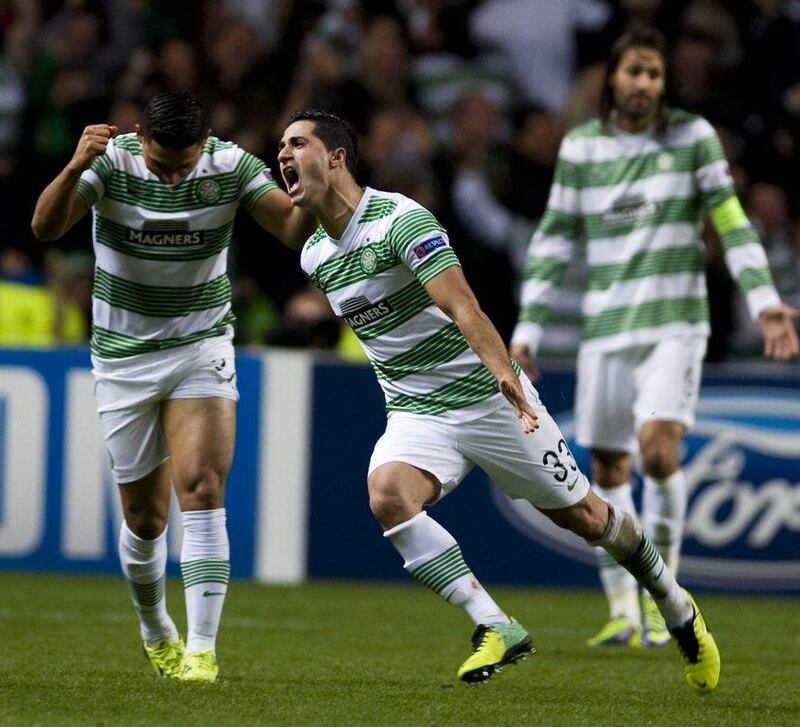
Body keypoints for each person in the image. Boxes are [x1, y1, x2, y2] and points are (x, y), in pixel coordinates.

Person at [277, 108, 720, 691]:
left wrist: (502, 371)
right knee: (388, 496)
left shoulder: (398, 221)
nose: (283, 154)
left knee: (588, 518)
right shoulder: (315, 256)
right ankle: (494, 622)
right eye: (279, 146)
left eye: (297, 143)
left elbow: (464, 306)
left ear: (335, 157)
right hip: (416, 411)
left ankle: (676, 605)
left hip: (490, 399)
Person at [509, 28, 799, 649]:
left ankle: (665, 596)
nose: (644, 84)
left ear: (663, 85)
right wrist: (527, 330)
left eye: (654, 75)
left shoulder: (691, 138)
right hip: (606, 329)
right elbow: (555, 239)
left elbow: (729, 217)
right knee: (609, 465)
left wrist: (766, 301)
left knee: (659, 452)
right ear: (613, 77)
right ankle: (622, 611)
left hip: (675, 324)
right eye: (635, 71)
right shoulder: (583, 148)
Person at [31, 91, 315, 683]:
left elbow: (292, 230)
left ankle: (202, 651)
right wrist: (75, 164)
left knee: (204, 488)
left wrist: (309, 185)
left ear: (203, 145)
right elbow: (45, 226)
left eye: (182, 167)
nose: (171, 178)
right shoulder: (111, 163)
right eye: (161, 165)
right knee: (145, 519)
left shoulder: (231, 165)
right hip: (123, 356)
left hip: (199, 345)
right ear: (139, 136)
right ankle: (156, 626)